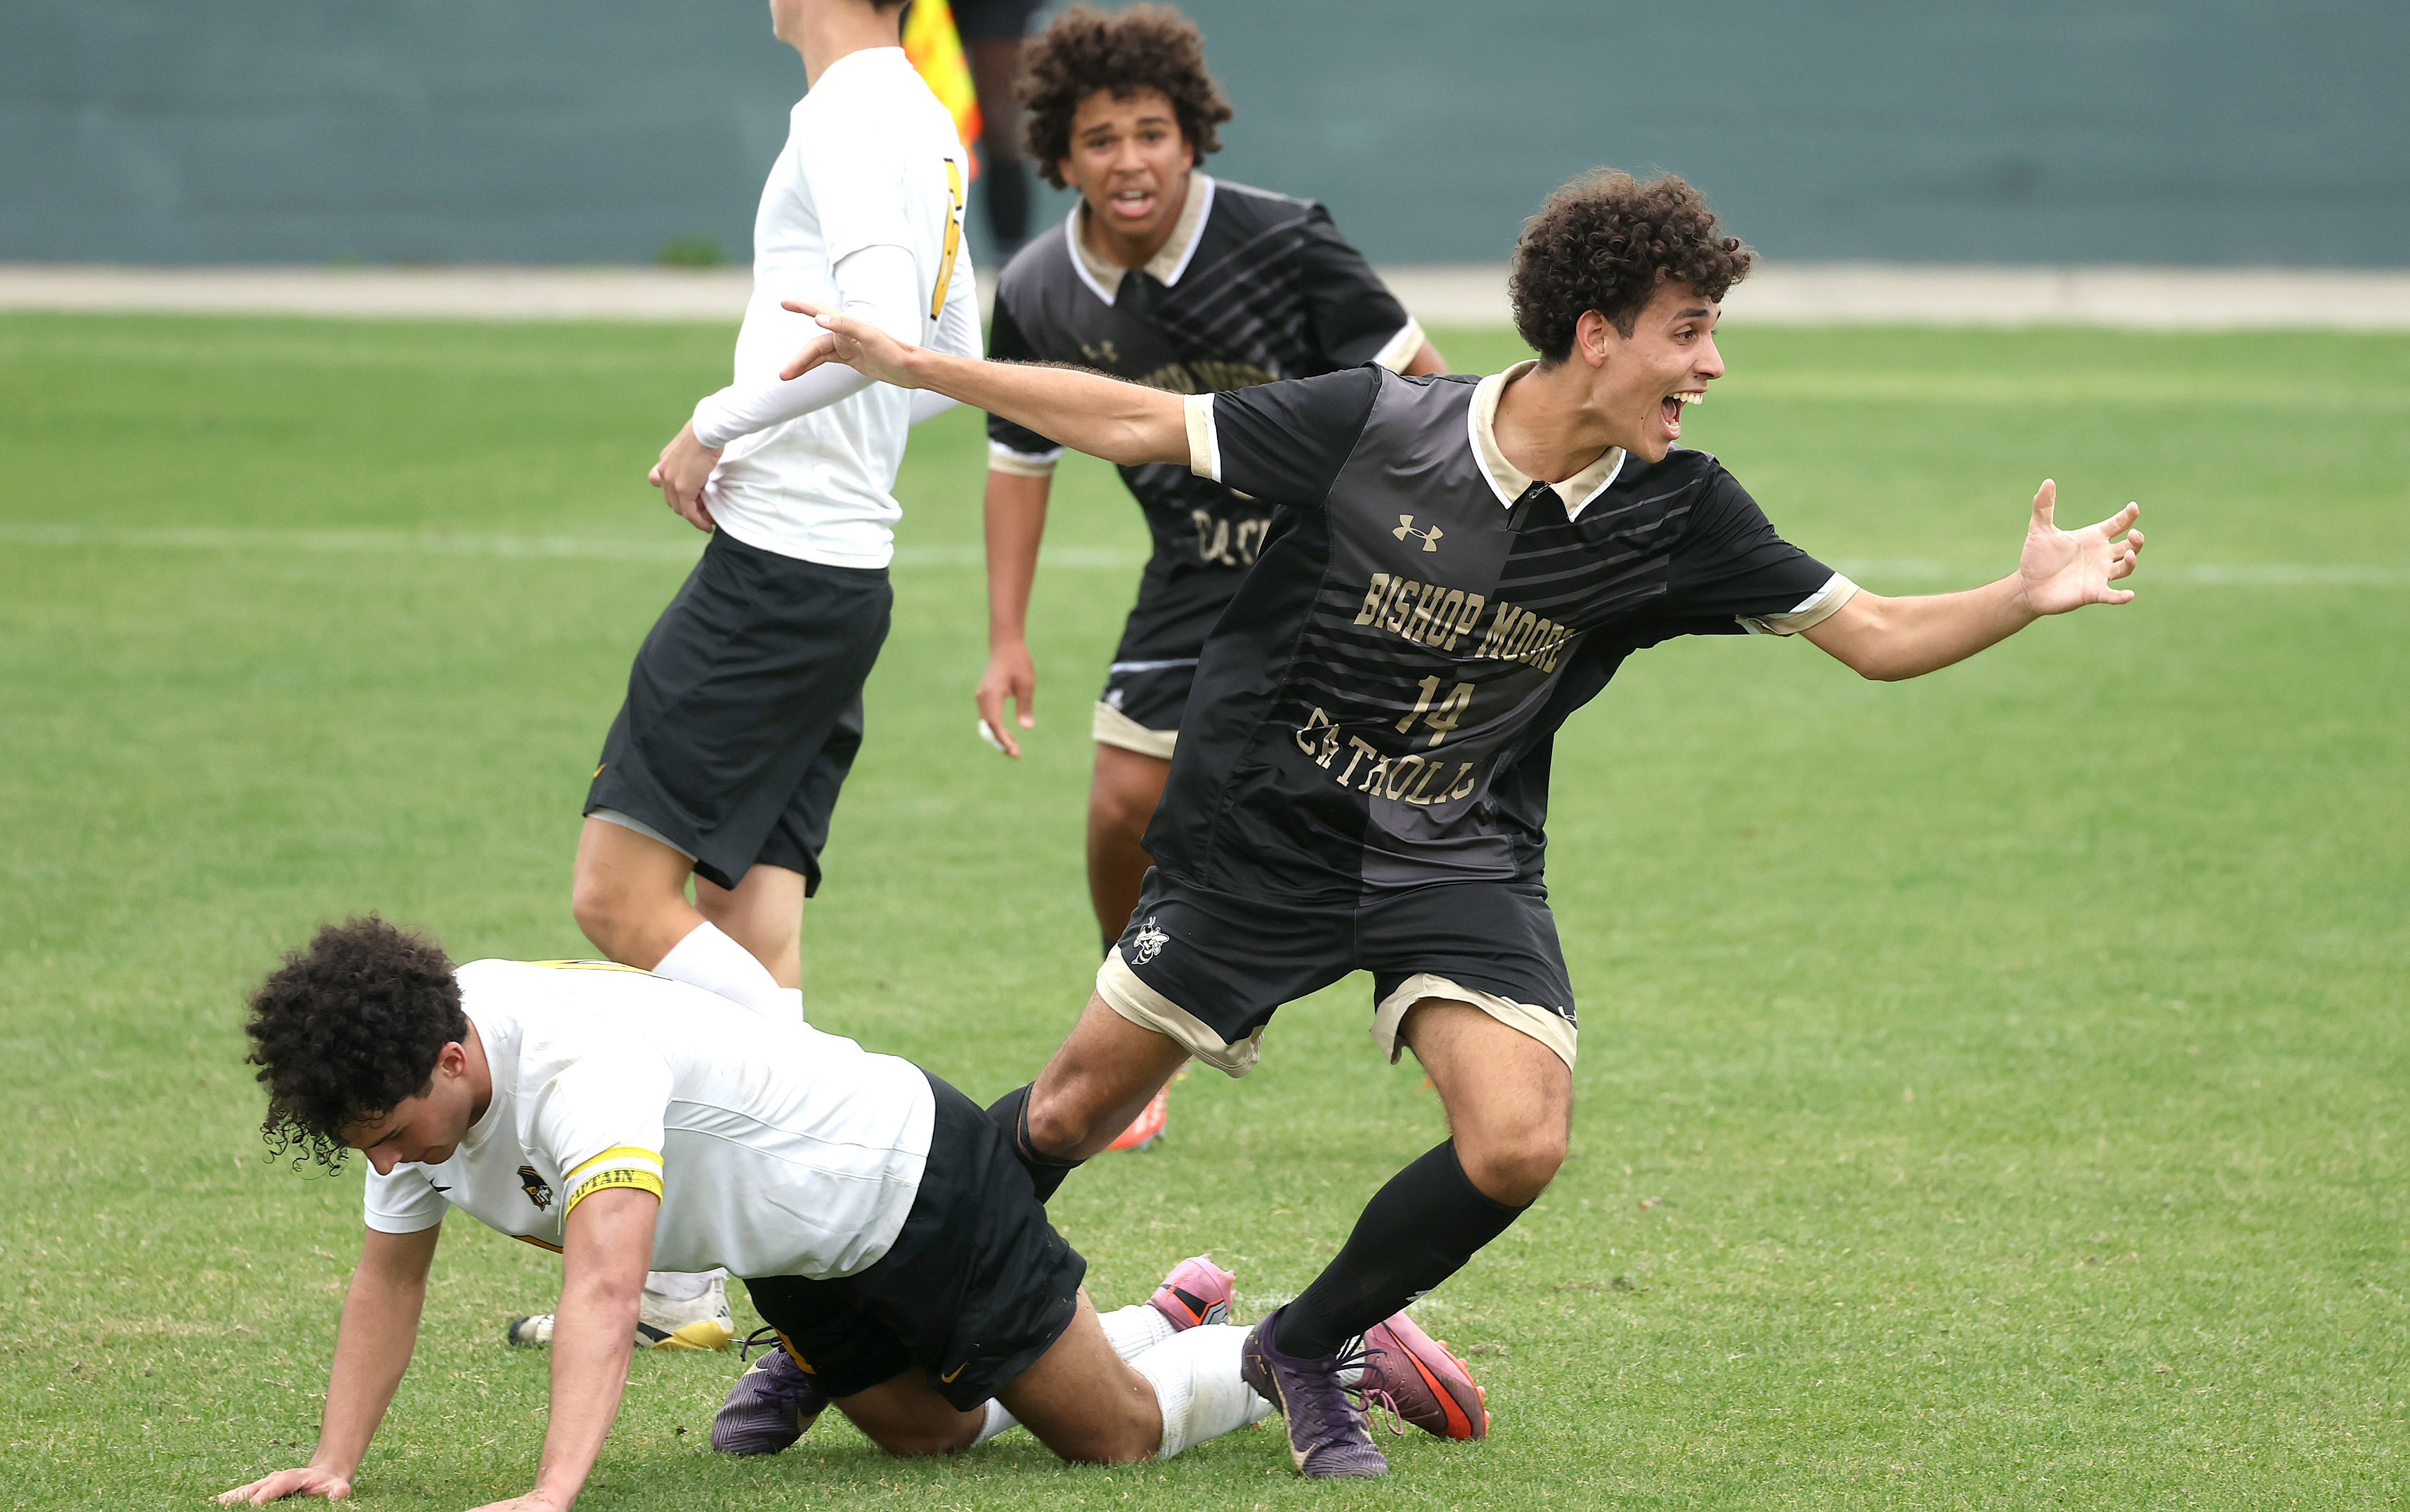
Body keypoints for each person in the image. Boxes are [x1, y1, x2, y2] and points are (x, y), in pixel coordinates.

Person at [773, 167, 2148, 1477]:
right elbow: (1135, 419)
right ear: (1596, 336)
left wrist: (2016, 594)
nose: (1710, 365)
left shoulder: (1678, 509)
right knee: (1067, 1112)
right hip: (1266, 833)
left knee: (1516, 1136)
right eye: (1687, 331)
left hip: (1450, 845)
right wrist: (917, 365)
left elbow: (1873, 634)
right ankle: (867, 1317)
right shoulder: (1379, 425)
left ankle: (1302, 1346)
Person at [216, 918, 1478, 1506]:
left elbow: (605, 1287)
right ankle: (1160, 1314)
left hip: (909, 1179)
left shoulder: (575, 1072)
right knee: (930, 1438)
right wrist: (334, 1465)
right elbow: (390, 1278)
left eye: (389, 1138)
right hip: (798, 1251)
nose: (389, 1167)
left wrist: (553, 1493)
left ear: (450, 1063)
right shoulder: (409, 1055)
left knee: (1113, 1441)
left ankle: (1302, 1345)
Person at [559, 0, 982, 1350]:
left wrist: (715, 425)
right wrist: (817, 435)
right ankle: (686, 1282)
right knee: (751, 925)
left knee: (620, 898)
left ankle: (874, 1122)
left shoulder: (856, 108)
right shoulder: (916, 111)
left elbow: (875, 327)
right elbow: (941, 355)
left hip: (778, 579)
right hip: (837, 578)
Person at [979, 4, 1445, 974]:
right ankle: (1133, 1010)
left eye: (1151, 133)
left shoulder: (1284, 242)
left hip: (1341, 567)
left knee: (1380, 830)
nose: (1129, 160)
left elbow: (1429, 397)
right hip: (1192, 573)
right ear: (1059, 162)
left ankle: (1446, 1013)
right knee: (1118, 809)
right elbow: (1021, 464)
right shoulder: (1035, 291)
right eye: (1098, 140)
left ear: (1191, 138)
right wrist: (1007, 637)